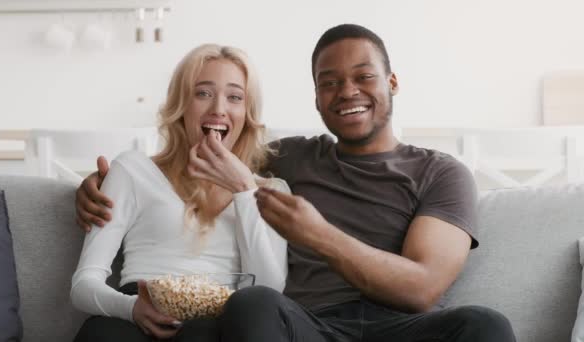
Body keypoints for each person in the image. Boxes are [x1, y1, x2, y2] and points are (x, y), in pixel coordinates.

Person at [76, 24, 516, 342]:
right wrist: (99, 185)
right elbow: (213, 156)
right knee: (255, 303)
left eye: (363, 76)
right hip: (307, 325)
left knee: (486, 324)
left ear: (392, 82)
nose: (347, 91)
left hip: (401, 328)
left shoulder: (442, 172)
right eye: (330, 83)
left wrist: (317, 233)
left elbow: (421, 289)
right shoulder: (289, 158)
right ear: (317, 99)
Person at [70, 43, 289, 342]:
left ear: (247, 113)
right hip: (132, 312)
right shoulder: (133, 170)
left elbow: (267, 293)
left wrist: (243, 190)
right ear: (181, 105)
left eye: (235, 97)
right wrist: (132, 308)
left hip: (218, 320)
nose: (218, 109)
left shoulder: (270, 192)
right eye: (203, 93)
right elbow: (83, 284)